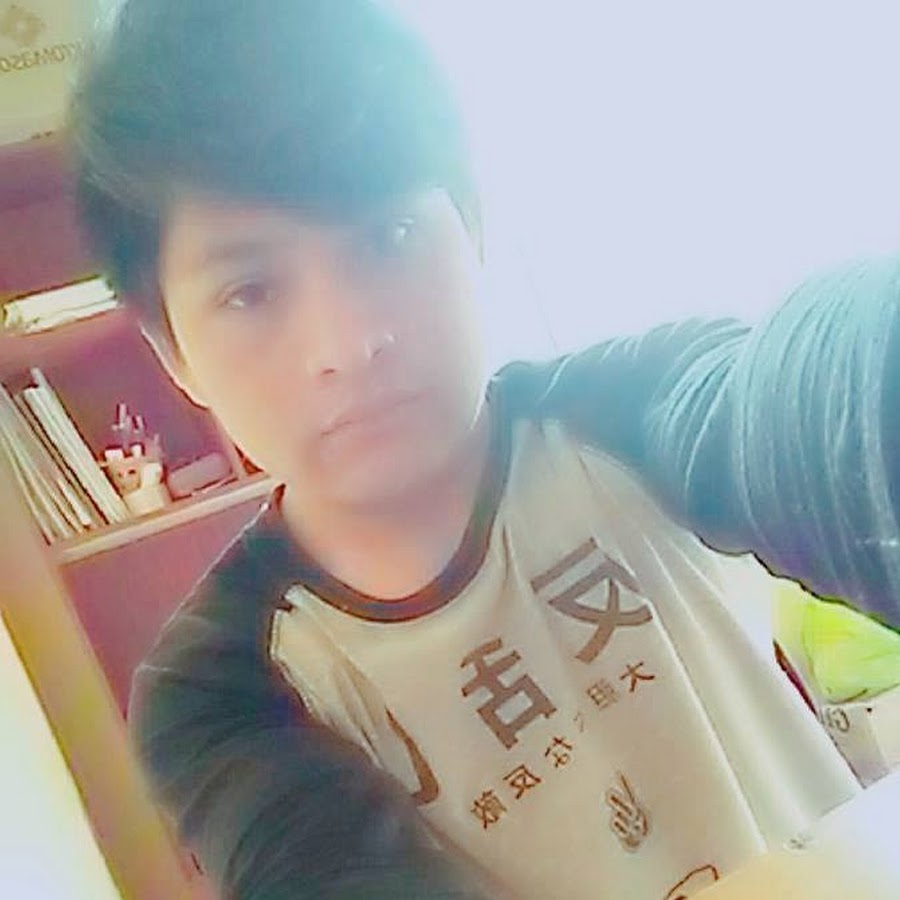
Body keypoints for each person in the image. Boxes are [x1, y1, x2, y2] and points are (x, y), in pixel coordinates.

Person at [69, 1, 900, 897]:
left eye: (388, 237)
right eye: (251, 291)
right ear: (173, 351)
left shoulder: (626, 411)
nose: (348, 342)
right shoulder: (218, 689)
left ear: (471, 229)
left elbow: (822, 405)